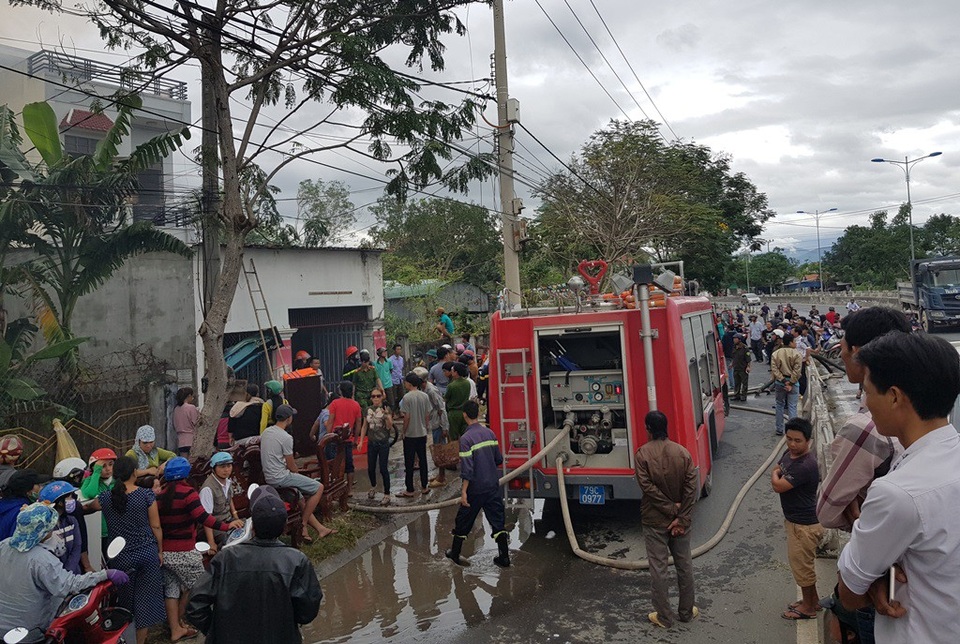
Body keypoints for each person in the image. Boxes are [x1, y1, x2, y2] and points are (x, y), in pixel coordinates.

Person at [837, 331, 960, 643]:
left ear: (893, 396)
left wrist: (874, 574)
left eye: (867, 390)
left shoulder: (898, 492)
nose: (864, 401)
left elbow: (850, 594)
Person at [816, 307, 910, 643]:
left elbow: (827, 512)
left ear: (858, 352)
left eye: (843, 343)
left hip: (877, 579)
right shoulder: (921, 418)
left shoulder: (866, 427)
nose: (838, 350)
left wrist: (860, 516)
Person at [186, 485, 323, 644]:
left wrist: (218, 630)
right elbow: (308, 610)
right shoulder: (296, 561)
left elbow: (195, 606)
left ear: (252, 526)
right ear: (284, 525)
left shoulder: (225, 558)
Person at [0, 503, 128, 637]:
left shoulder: (4, 545)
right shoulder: (41, 559)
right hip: (30, 630)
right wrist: (103, 574)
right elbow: (67, 585)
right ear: (43, 531)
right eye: (51, 528)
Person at [157, 457, 242, 640]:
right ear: (186, 474)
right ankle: (183, 621)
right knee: (197, 586)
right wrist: (228, 526)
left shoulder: (160, 496)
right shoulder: (188, 494)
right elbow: (204, 518)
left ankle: (174, 629)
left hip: (165, 552)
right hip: (185, 551)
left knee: (172, 589)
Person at [635, 410, 699, 628]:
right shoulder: (683, 453)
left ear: (648, 429)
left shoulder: (642, 454)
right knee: (684, 564)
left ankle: (663, 616)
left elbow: (647, 488)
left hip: (654, 520)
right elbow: (692, 488)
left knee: (659, 568)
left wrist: (669, 510)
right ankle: (686, 612)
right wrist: (681, 517)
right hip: (681, 521)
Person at [96, 455, 166, 644]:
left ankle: (122, 639)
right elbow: (156, 526)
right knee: (144, 603)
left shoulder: (105, 498)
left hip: (120, 557)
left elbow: (87, 505)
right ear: (135, 473)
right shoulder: (145, 495)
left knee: (125, 603)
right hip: (146, 553)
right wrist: (160, 550)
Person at [445, 400, 509, 568]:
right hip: (492, 485)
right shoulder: (490, 433)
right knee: (497, 521)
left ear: (464, 415)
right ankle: (504, 557)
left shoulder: (466, 439)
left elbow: (467, 470)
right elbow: (498, 459)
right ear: (478, 414)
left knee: (463, 521)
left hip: (476, 488)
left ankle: (455, 553)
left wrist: (464, 492)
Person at [771, 417, 823, 620]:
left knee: (803, 568)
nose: (792, 444)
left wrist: (775, 476)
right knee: (802, 566)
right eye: (789, 439)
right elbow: (777, 468)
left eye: (797, 440)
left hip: (804, 526)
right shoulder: (788, 454)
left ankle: (808, 608)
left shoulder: (806, 465)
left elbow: (778, 485)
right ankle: (813, 600)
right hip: (795, 522)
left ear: (808, 441)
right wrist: (777, 474)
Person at [261, 404, 335, 542]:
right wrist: (299, 472)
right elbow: (292, 466)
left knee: (300, 499)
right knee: (319, 487)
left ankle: (320, 529)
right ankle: (303, 524)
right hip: (280, 477)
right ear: (289, 419)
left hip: (269, 476)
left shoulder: (266, 432)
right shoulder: (286, 437)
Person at [37, 481, 84, 575]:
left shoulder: (72, 521)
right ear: (60, 503)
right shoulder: (45, 526)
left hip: (72, 576)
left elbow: (77, 547)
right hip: (52, 577)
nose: (74, 499)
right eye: (71, 496)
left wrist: (67, 572)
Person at [325, 381, 364, 493]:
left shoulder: (335, 403)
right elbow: (358, 425)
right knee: (349, 465)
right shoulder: (356, 405)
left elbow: (330, 421)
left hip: (334, 438)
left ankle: (336, 487)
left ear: (340, 391)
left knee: (333, 463)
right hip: (347, 439)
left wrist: (328, 436)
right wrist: (356, 439)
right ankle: (349, 489)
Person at [398, 373, 431, 498]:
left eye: (405, 382)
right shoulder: (425, 396)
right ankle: (424, 486)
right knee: (423, 460)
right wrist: (426, 427)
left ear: (409, 384)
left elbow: (407, 417)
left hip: (411, 434)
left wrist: (404, 431)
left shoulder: (406, 398)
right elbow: (427, 415)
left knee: (409, 461)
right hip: (422, 433)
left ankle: (410, 489)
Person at [200, 452, 243, 549]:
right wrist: (211, 543)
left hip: (228, 520)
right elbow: (206, 518)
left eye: (228, 466)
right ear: (214, 468)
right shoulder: (208, 489)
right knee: (231, 540)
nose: (226, 470)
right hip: (215, 526)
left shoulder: (227, 481)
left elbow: (229, 499)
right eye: (222, 467)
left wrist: (236, 517)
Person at [357, 389, 393, 505]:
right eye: (373, 396)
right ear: (371, 398)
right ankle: (373, 486)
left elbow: (389, 427)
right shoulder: (368, 410)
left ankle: (387, 493)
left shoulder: (386, 409)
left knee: (383, 468)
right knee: (371, 468)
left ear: (382, 397)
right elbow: (364, 426)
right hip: (372, 442)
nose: (376, 398)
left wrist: (387, 416)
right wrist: (361, 441)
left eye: (378, 396)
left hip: (383, 442)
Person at [415, 366, 449, 488]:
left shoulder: (431, 391)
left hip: (438, 424)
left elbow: (441, 408)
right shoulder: (425, 390)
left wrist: (445, 427)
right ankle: (440, 475)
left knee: (440, 451)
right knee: (437, 450)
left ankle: (442, 477)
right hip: (434, 424)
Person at [79, 447, 117, 542]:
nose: (108, 469)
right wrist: (96, 472)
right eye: (103, 466)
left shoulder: (117, 481)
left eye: (110, 465)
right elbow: (90, 493)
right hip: (101, 531)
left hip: (117, 529)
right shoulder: (89, 480)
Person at [0, 469, 46, 541]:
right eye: (38, 485)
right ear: (28, 491)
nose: (41, 487)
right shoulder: (22, 513)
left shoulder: (5, 504)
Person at [771, 333, 802, 436]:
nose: (796, 343)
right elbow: (797, 370)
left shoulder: (776, 353)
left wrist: (783, 380)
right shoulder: (797, 354)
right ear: (791, 342)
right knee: (792, 406)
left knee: (779, 405)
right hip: (793, 383)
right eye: (794, 341)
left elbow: (774, 370)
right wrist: (791, 382)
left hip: (780, 382)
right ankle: (792, 431)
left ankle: (779, 429)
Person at [444, 362, 472, 441]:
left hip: (454, 413)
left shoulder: (451, 386)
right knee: (465, 434)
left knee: (454, 436)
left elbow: (446, 398)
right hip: (464, 412)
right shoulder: (467, 383)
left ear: (456, 372)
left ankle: (455, 452)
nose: (451, 372)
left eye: (452, 370)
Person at [172, 387, 199, 456]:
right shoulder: (191, 407)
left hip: (180, 441)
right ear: (189, 396)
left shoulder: (176, 409)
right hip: (192, 439)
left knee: (184, 462)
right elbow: (196, 423)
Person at [729, 334, 751, 401]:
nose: (734, 340)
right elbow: (734, 357)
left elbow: (748, 359)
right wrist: (732, 364)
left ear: (739, 340)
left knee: (744, 383)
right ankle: (736, 395)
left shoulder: (745, 348)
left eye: (736, 339)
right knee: (736, 382)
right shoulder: (734, 347)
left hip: (743, 368)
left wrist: (748, 367)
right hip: (736, 368)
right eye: (734, 339)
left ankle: (744, 396)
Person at [388, 344, 405, 408]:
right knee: (394, 397)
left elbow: (401, 369)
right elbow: (390, 370)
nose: (399, 351)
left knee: (401, 396)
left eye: (400, 349)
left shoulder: (401, 359)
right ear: (394, 350)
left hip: (400, 380)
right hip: (393, 380)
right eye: (397, 349)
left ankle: (401, 410)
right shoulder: (390, 360)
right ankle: (395, 411)